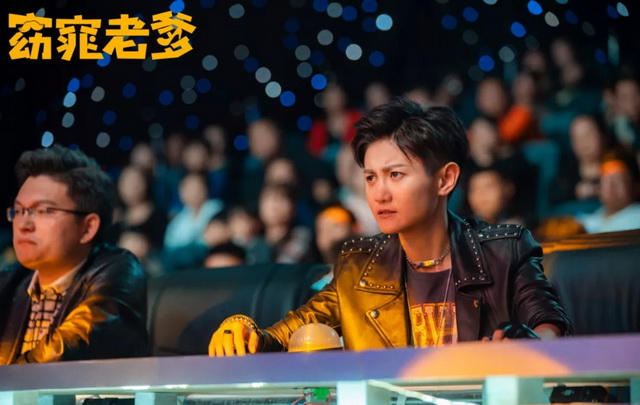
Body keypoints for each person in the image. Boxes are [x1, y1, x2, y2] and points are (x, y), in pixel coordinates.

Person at [208, 100, 571, 356]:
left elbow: (550, 324)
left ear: (445, 179)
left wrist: (528, 347)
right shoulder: (360, 266)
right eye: (370, 178)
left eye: (395, 175)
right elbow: (284, 333)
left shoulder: (504, 250)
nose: (379, 193)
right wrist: (242, 329)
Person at [0, 145, 148, 365]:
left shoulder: (119, 269)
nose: (23, 224)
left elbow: (71, 347)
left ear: (87, 228)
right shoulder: (10, 281)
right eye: (19, 211)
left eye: (43, 211)